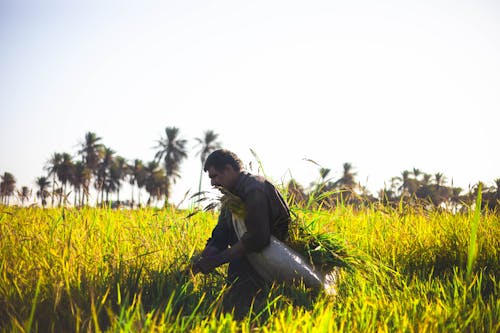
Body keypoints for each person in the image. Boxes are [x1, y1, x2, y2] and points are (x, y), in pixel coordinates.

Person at [192, 149, 291, 309]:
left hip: (267, 261)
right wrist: (206, 254)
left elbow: (258, 238)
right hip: (245, 258)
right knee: (233, 304)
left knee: (250, 308)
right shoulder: (230, 195)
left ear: (229, 170)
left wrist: (218, 259)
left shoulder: (254, 189)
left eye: (214, 176)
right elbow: (222, 232)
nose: (212, 183)